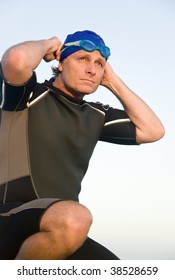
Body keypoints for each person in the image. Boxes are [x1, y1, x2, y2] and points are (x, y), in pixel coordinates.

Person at [0, 30, 165, 260]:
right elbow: (15, 60)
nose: (92, 69)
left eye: (99, 64)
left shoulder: (96, 115)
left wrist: (113, 82)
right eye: (82, 59)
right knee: (76, 218)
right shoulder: (27, 96)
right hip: (9, 217)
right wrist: (50, 44)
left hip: (62, 229)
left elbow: (153, 130)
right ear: (60, 63)